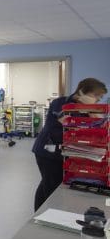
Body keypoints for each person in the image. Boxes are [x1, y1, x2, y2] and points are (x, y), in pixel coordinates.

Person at [32, 78, 107, 211]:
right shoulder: (61, 102)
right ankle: (46, 213)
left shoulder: (88, 109)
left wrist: (92, 111)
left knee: (48, 181)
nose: (97, 100)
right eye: (96, 96)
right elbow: (67, 121)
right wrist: (88, 110)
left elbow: (99, 127)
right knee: (51, 185)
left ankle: (39, 211)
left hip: (65, 152)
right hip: (47, 151)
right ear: (82, 91)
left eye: (100, 98)